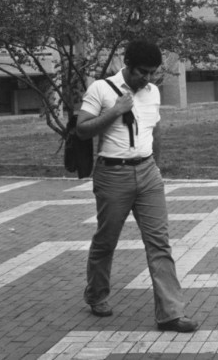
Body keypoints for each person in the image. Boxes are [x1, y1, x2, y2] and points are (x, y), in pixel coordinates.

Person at [76, 40, 198, 332]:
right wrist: (116, 110)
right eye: (142, 72)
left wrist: (155, 164)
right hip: (112, 174)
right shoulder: (101, 89)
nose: (147, 78)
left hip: (147, 174)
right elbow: (82, 130)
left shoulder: (152, 92)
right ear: (127, 65)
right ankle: (96, 294)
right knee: (107, 240)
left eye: (152, 73)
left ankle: (170, 314)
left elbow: (155, 129)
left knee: (159, 243)